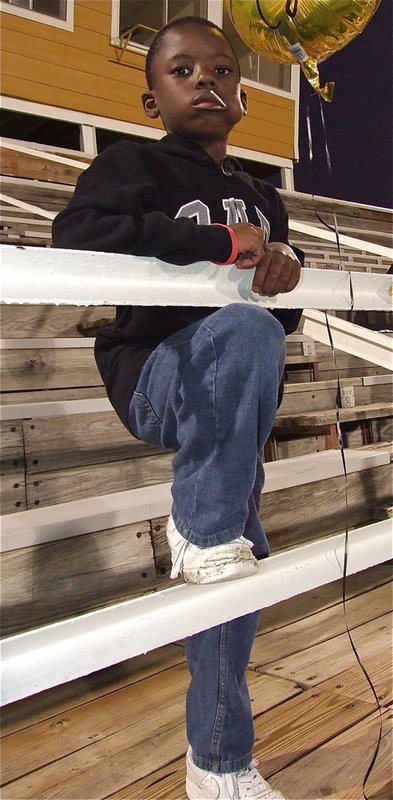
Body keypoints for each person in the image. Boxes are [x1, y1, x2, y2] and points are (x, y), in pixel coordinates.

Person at [52, 16, 304, 800]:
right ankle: (198, 527)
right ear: (152, 95)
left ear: (241, 95)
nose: (205, 80)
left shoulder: (266, 198)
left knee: (229, 581)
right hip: (159, 374)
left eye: (222, 68)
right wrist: (223, 247)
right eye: (182, 70)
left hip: (231, 409)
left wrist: (284, 264)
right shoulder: (131, 165)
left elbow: (284, 320)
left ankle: (219, 768)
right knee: (237, 327)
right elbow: (77, 234)